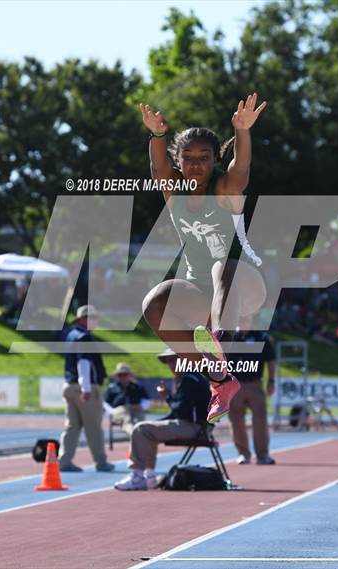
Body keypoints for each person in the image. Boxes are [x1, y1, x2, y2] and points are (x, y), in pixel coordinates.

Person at [140, 93, 268, 425]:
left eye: (204, 157)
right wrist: (156, 134)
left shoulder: (224, 189)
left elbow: (242, 169)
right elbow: (157, 166)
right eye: (189, 157)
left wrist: (242, 131)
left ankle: (222, 340)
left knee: (220, 265)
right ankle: (221, 381)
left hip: (246, 282)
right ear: (178, 161)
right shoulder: (173, 192)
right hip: (205, 294)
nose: (196, 163)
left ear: (214, 161)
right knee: (155, 302)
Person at [114, 347, 210, 491]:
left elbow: (180, 410)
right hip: (194, 425)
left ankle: (138, 475)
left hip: (196, 428)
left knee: (141, 429)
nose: (171, 364)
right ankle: (149, 477)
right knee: (146, 429)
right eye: (168, 361)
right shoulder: (188, 377)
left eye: (174, 360)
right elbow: (180, 411)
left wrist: (166, 396)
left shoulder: (190, 379)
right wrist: (157, 421)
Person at [59, 305, 115, 472]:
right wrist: (86, 388)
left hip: (69, 385)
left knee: (72, 426)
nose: (95, 322)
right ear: (84, 319)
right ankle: (101, 462)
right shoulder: (84, 337)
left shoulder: (71, 336)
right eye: (93, 318)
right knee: (94, 427)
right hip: (84, 387)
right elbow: (83, 362)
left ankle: (64, 460)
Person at [229, 313, 276, 465]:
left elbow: (271, 361)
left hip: (255, 384)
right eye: (241, 319)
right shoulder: (229, 337)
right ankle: (243, 454)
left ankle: (262, 455)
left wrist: (271, 381)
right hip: (234, 384)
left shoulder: (261, 338)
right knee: (236, 420)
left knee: (260, 420)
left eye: (246, 319)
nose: (243, 322)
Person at [104, 362, 150, 435]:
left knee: (141, 421)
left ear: (129, 375)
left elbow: (146, 400)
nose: (123, 377)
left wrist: (142, 407)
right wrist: (112, 411)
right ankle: (135, 435)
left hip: (135, 409)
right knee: (127, 420)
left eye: (125, 374)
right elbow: (105, 403)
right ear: (117, 376)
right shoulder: (112, 388)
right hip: (119, 410)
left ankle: (142, 436)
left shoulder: (137, 387)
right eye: (120, 375)